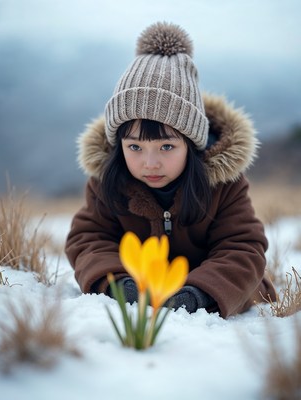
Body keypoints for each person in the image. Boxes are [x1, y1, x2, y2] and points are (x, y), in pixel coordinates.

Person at [65, 21, 276, 318]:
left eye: (166, 147)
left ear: (191, 144)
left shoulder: (224, 184)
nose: (150, 163)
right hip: (138, 290)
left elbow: (242, 248)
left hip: (211, 306)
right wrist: (119, 284)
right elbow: (89, 239)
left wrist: (197, 294)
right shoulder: (106, 182)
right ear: (118, 145)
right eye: (135, 147)